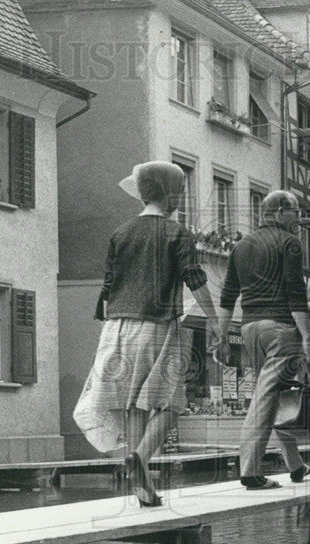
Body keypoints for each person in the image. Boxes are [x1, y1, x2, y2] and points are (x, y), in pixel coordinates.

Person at [74, 161, 221, 507]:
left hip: (115, 327)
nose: (182, 198)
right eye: (180, 191)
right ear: (169, 193)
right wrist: (213, 319)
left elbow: (108, 285)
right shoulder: (176, 233)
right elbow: (194, 277)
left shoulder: (121, 233)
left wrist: (109, 324)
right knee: (171, 404)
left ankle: (142, 490)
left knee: (134, 405)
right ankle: (139, 458)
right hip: (156, 325)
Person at [219, 190, 310, 489]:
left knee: (275, 395)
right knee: (267, 398)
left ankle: (295, 465)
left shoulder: (241, 245)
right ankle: (250, 471)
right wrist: (308, 336)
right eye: (295, 211)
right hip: (281, 328)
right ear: (280, 211)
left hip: (249, 328)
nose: (298, 218)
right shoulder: (290, 243)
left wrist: (222, 336)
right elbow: (295, 294)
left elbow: (228, 295)